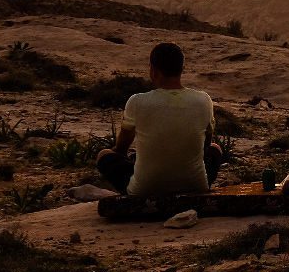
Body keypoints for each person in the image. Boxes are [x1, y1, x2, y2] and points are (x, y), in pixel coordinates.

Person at [96, 42, 223, 197]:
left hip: (144, 190)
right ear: (181, 70)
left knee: (104, 155)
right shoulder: (204, 100)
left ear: (153, 71)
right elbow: (205, 147)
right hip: (195, 186)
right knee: (215, 149)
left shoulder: (136, 102)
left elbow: (121, 149)